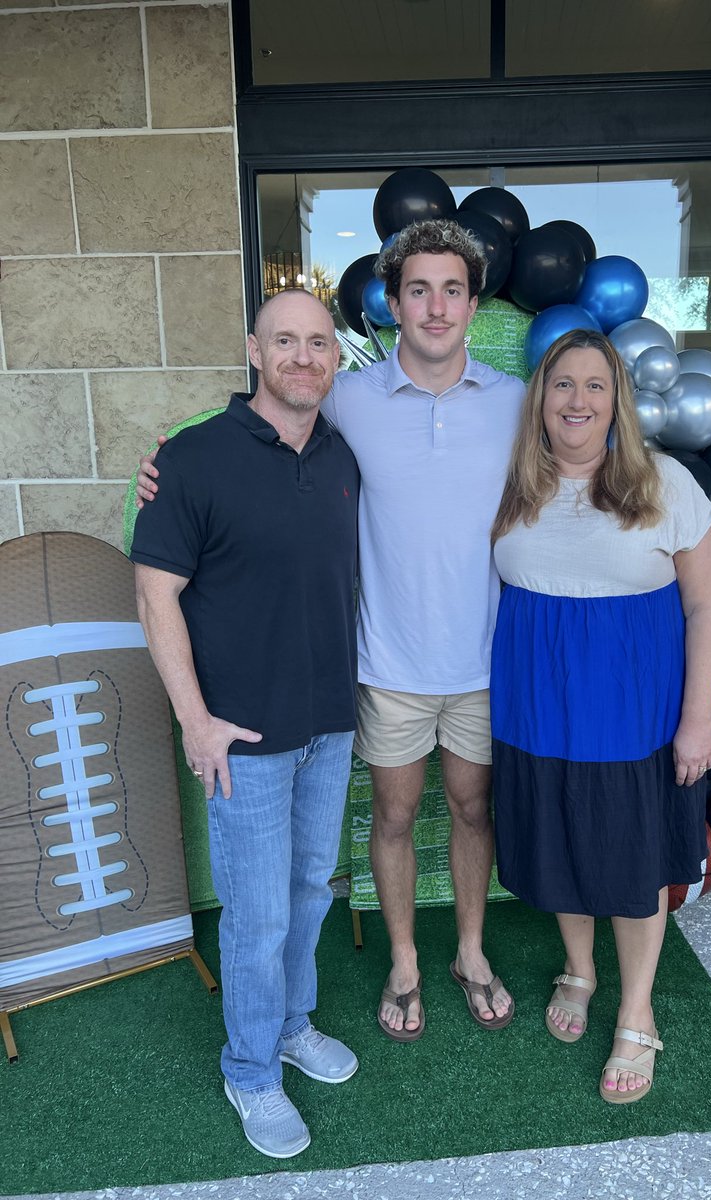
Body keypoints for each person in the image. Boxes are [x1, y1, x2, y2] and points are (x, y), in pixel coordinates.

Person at [136, 219, 525, 1040]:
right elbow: (263, 415)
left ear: (473, 303)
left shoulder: (516, 404)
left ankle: (470, 953)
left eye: (451, 289)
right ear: (392, 304)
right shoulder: (350, 395)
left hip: (484, 663)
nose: (435, 306)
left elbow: (584, 458)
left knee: (470, 811)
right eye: (417, 288)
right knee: (388, 818)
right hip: (384, 666)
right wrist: (169, 456)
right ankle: (404, 965)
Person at [130, 290, 360, 1158]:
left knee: (308, 894)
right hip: (242, 738)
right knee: (257, 917)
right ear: (254, 352)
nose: (304, 357)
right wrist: (195, 720)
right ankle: (251, 1069)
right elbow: (155, 596)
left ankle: (291, 1026)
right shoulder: (191, 459)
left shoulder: (343, 454)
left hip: (328, 725)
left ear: (334, 357)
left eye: (319, 343)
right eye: (286, 341)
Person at [489, 328, 711, 1103]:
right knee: (558, 842)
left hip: (634, 712)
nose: (578, 400)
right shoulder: (513, 481)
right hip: (534, 708)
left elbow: (707, 602)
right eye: (564, 384)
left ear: (618, 400)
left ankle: (635, 1010)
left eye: (596, 386)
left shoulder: (665, 483)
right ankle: (581, 970)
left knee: (630, 860)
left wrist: (698, 721)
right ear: (541, 398)